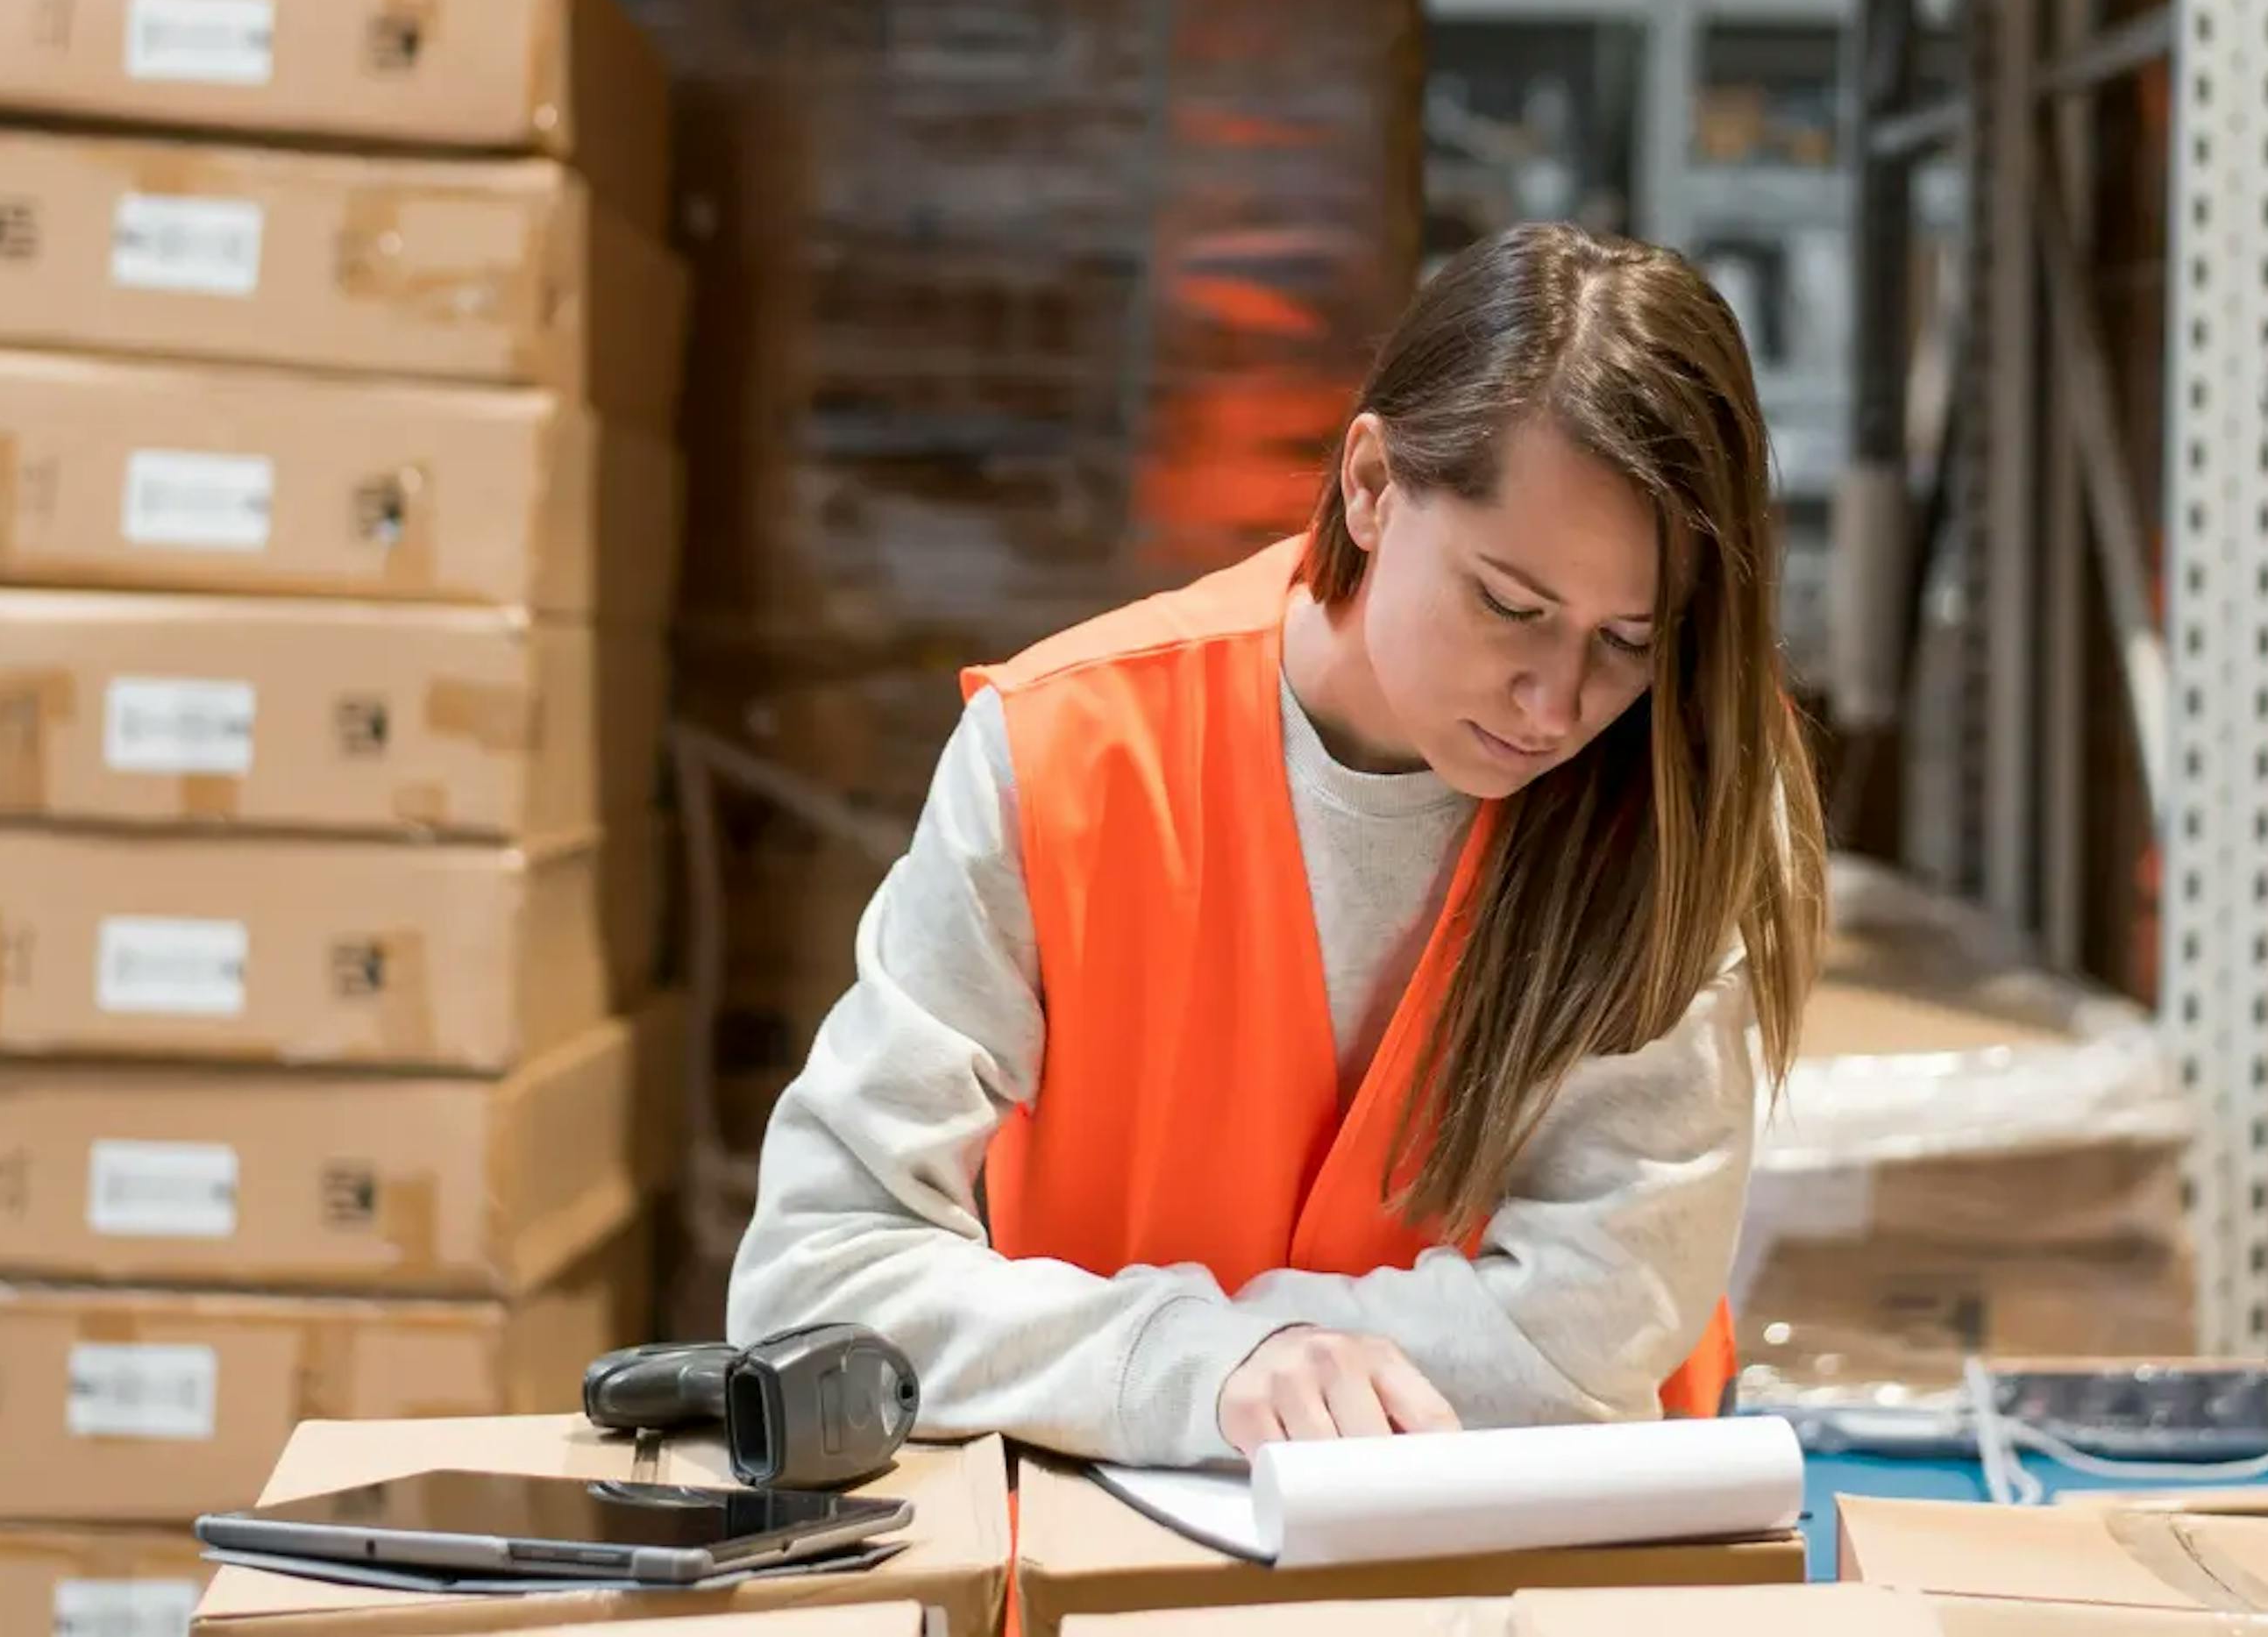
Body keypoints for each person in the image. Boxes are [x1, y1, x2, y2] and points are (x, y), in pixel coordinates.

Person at [729, 221, 1826, 1469]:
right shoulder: (1064, 754)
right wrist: (1198, 1366)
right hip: (1126, 1571)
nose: (1555, 701)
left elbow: (1582, 1339)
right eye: (1509, 606)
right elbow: (812, 1279)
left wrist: (1117, 1357)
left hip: (1529, 1577)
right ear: (1370, 484)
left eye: (1626, 639)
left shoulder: (1685, 797)